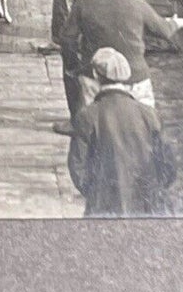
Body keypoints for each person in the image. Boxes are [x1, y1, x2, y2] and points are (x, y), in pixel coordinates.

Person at [60, 0, 179, 110]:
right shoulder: (136, 2)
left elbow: (67, 38)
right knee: (145, 122)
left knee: (93, 124)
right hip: (134, 77)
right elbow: (165, 31)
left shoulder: (84, 1)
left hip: (96, 76)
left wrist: (77, 66)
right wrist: (174, 23)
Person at [67, 47, 176, 217]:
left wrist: (96, 193)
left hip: (103, 206)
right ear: (126, 77)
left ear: (96, 75)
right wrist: (153, 190)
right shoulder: (150, 115)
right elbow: (168, 165)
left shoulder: (87, 116)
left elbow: (77, 166)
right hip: (147, 207)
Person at [48, 0, 97, 135]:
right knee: (90, 76)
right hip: (92, 31)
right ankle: (91, 117)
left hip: (74, 34)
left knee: (72, 76)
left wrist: (60, 37)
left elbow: (63, 9)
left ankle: (77, 122)